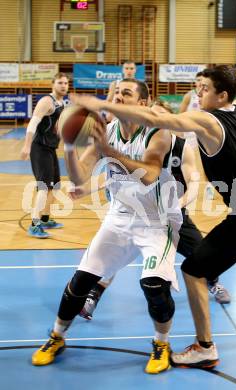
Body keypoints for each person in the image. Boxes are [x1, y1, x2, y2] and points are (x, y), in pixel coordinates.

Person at [69, 20, 236, 369]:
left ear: (221, 96)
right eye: (197, 87)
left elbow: (164, 121)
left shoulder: (210, 121)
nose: (197, 93)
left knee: (192, 271)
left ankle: (205, 347)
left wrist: (103, 105)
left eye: (203, 89)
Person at [31, 78, 183, 375]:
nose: (117, 97)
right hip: (120, 216)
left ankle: (162, 343)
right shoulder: (107, 130)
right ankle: (56, 336)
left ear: (142, 103)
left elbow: (150, 174)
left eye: (125, 93)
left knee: (153, 286)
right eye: (115, 92)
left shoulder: (158, 130)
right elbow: (78, 179)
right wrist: (71, 148)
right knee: (79, 283)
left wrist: (107, 151)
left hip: (156, 221)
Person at [77, 99, 231, 321]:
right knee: (113, 255)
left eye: (159, 116)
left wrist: (180, 204)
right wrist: (86, 188)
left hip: (171, 215)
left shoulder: (181, 147)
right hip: (136, 212)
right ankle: (93, 295)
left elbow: (195, 183)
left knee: (201, 254)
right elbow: (111, 173)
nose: (154, 121)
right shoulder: (139, 144)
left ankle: (214, 283)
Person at [20, 72, 69, 238]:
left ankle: (46, 219)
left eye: (66, 83)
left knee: (55, 185)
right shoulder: (46, 101)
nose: (64, 85)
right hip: (39, 148)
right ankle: (34, 224)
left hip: (50, 148)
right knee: (43, 186)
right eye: (60, 83)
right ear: (53, 84)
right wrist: (26, 146)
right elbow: (33, 124)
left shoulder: (61, 103)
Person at [178, 71, 203, 148]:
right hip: (189, 131)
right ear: (195, 82)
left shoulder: (208, 96)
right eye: (198, 80)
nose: (200, 82)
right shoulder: (189, 96)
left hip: (203, 130)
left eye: (202, 80)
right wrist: (180, 131)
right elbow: (180, 115)